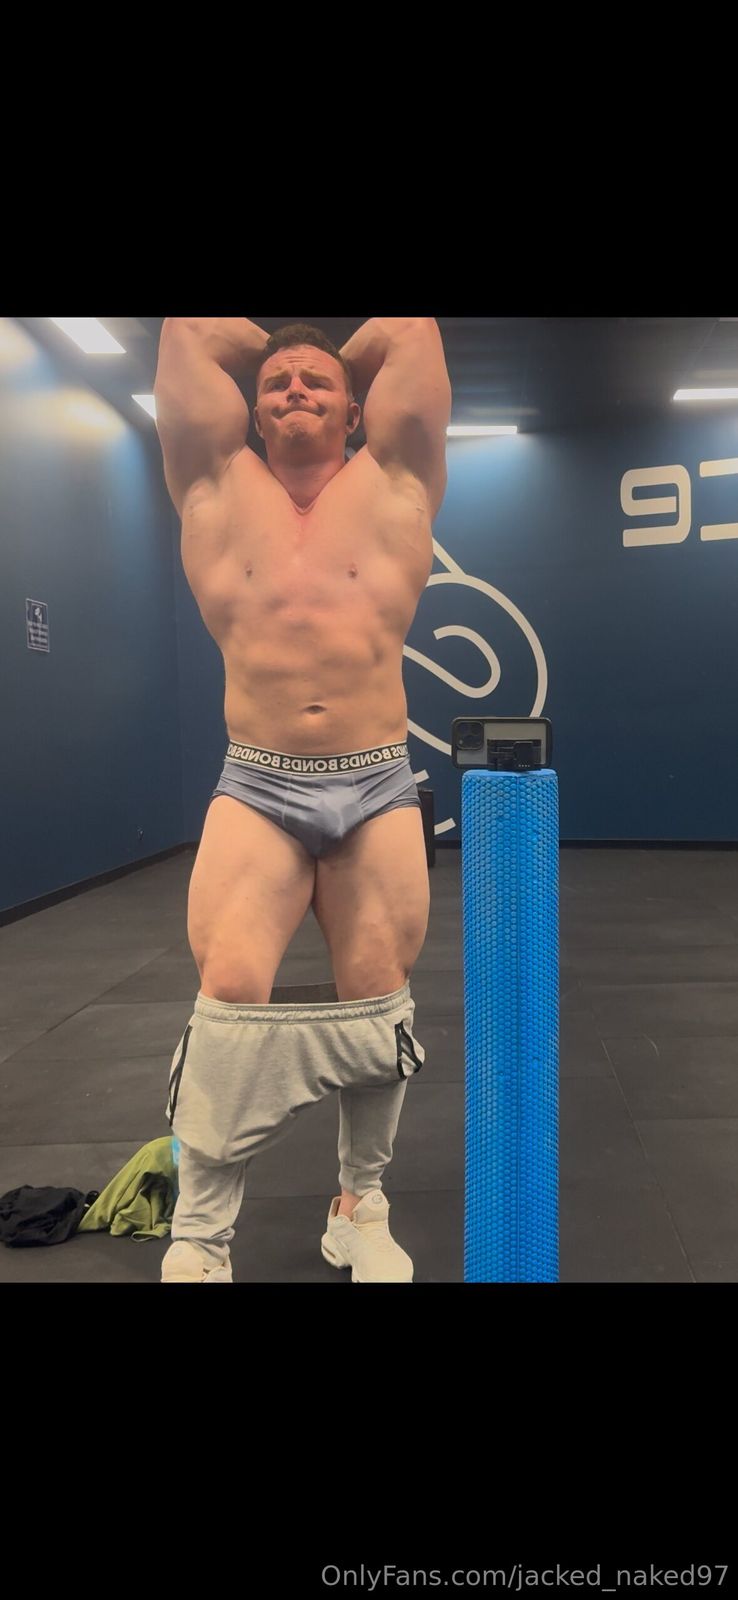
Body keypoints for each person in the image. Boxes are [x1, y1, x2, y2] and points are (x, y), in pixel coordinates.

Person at [153, 316, 451, 1282]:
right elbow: (188, 332)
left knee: (377, 1000)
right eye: (276, 382)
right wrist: (294, 360)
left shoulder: (396, 481)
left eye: (316, 384)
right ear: (248, 407)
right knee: (229, 995)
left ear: (357, 410)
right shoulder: (213, 483)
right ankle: (202, 1234)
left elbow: (411, 330)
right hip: (258, 780)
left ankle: (360, 1207)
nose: (294, 391)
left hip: (377, 780)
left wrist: (319, 361)